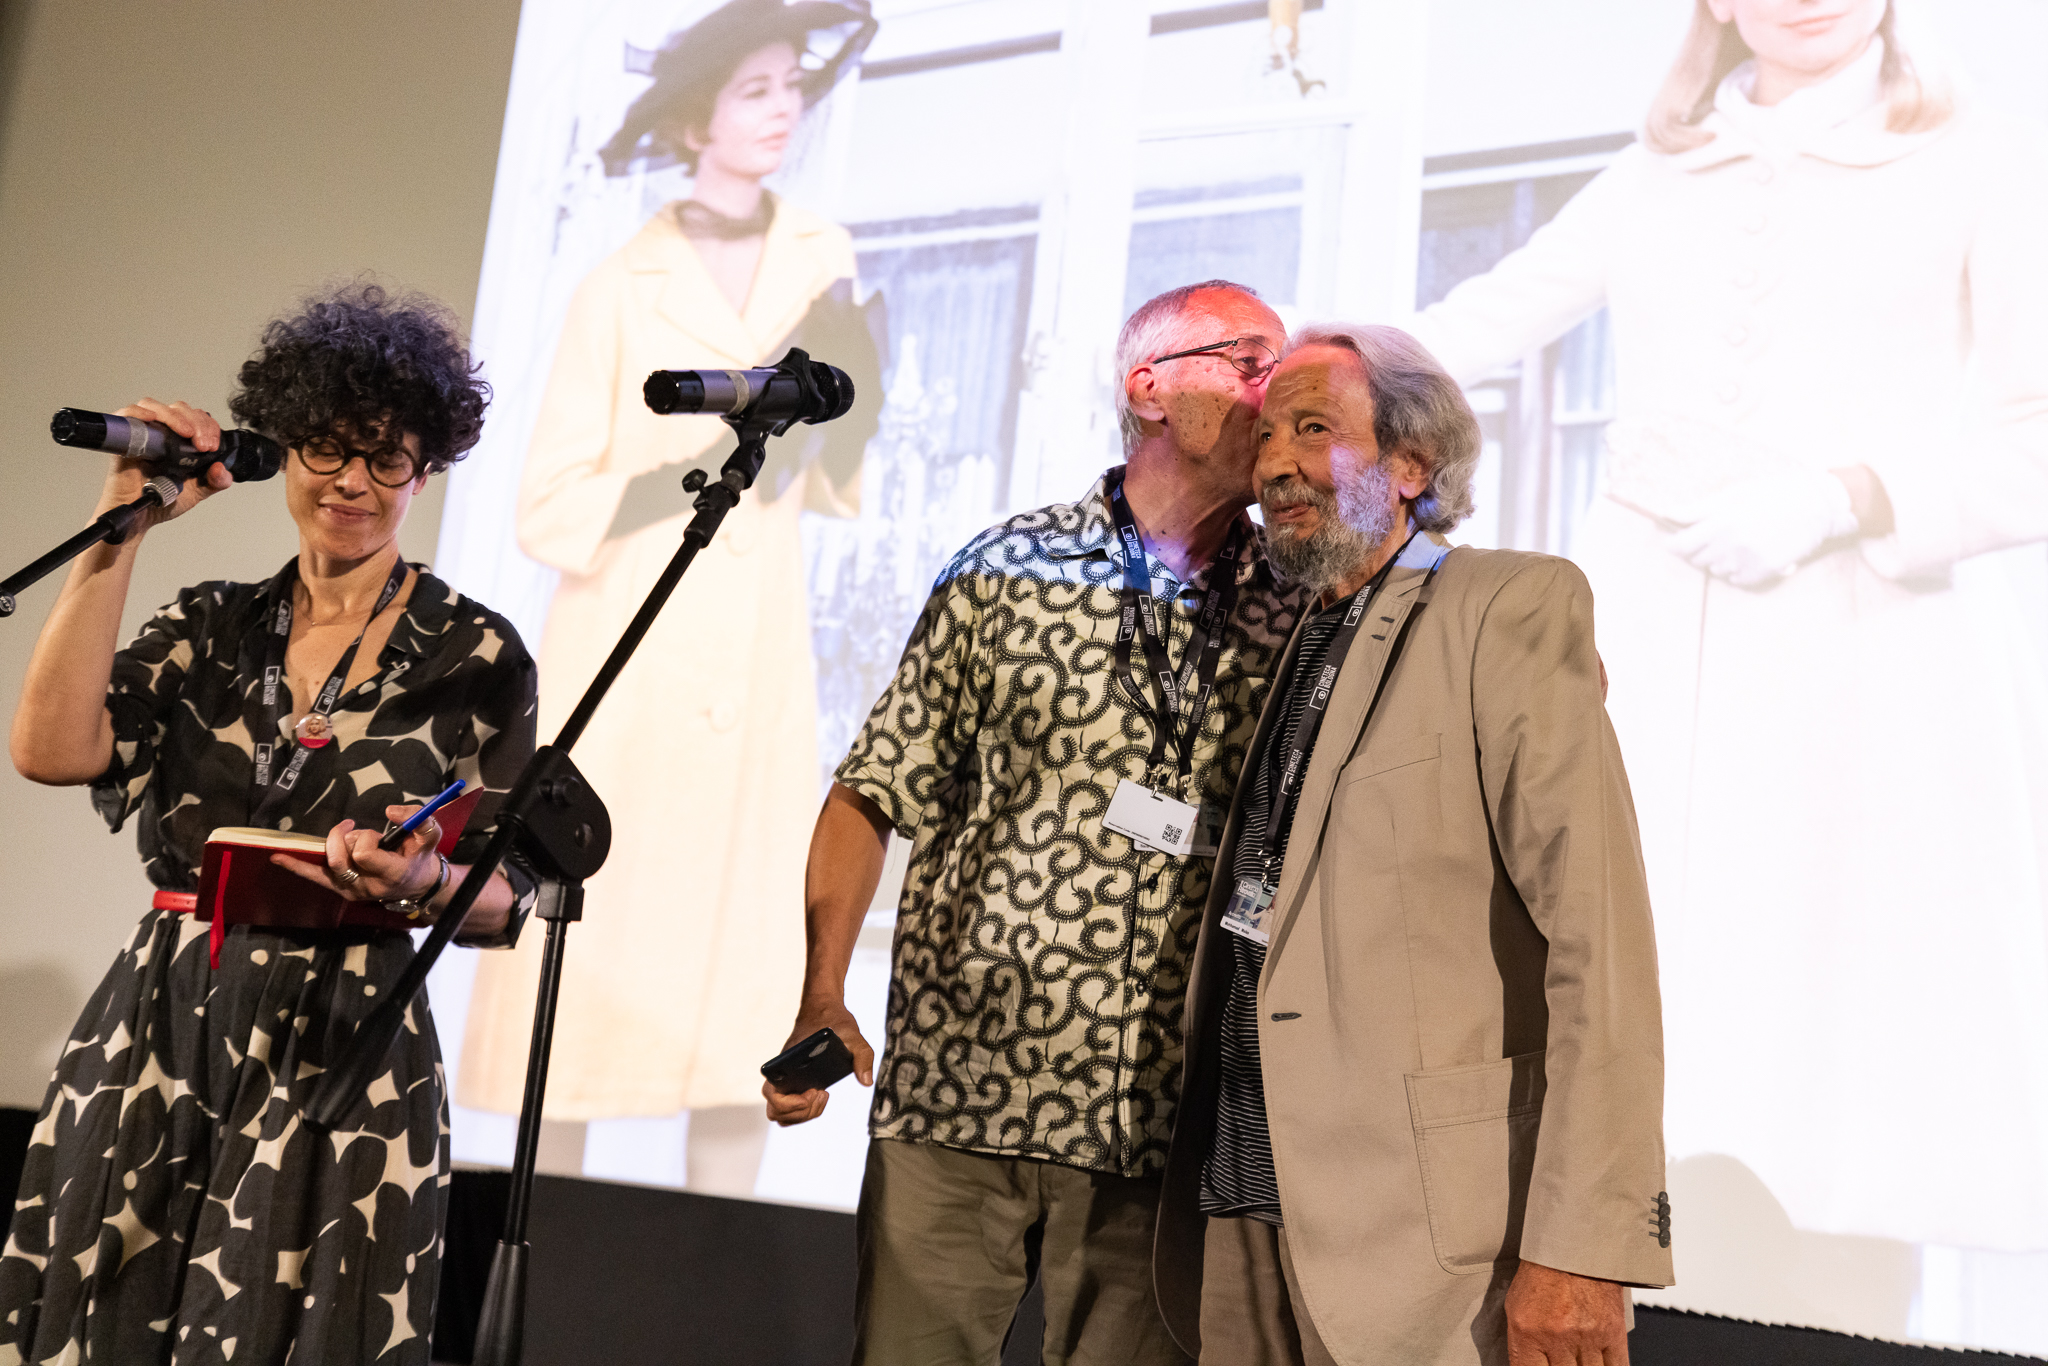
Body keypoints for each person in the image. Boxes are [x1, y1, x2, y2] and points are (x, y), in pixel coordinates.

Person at [1406, 0, 2048, 1252]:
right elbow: (1468, 328)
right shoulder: (1659, 167)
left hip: (1856, 638)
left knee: (1822, 1021)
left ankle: (1825, 1287)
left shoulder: (1976, 158)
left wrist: (1844, 497)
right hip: (1640, 625)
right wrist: (1280, 371)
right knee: (1616, 945)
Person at [764, 281, 1303, 1364]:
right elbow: (871, 791)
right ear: (1148, 388)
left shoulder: (1296, 604)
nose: (1273, 394)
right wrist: (822, 994)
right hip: (958, 1096)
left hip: (1161, 1126)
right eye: (1250, 363)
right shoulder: (1006, 567)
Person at [0, 283, 539, 1365]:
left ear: (425, 469)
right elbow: (51, 749)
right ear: (285, 447)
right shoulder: (207, 622)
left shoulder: (474, 652)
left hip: (346, 1034)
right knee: (103, 1321)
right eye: (326, 447)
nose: (351, 480)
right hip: (162, 1017)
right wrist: (122, 526)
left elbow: (508, 892)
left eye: (385, 456)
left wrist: (423, 882)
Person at [1156, 325, 1672, 1366]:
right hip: (1244, 1211)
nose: (1274, 463)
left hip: (1423, 1251)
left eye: (1314, 429)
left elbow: (1599, 944)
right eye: (1267, 437)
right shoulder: (1292, 636)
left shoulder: (1506, 605)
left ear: (1410, 465)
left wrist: (1582, 1248)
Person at [458, 0, 882, 1195]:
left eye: (792, 86)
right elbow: (548, 503)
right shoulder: (617, 286)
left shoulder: (824, 254)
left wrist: (854, 404)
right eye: (755, 89)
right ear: (698, 119)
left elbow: (832, 480)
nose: (783, 109)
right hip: (634, 658)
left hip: (755, 666)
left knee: (742, 981)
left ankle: (723, 1245)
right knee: (585, 985)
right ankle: (536, 1226)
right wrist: (701, 458)